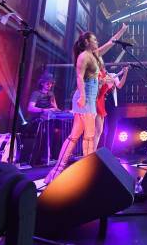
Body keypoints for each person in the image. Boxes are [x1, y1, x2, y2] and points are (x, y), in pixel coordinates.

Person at [45, 24, 128, 183]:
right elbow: (79, 77)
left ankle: (56, 171)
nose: (97, 41)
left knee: (74, 136)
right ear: (87, 42)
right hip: (85, 100)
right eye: (94, 39)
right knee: (88, 136)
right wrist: (82, 96)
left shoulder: (94, 55)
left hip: (89, 100)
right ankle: (87, 173)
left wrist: (122, 31)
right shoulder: (84, 56)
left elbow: (111, 43)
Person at [93, 65, 129, 151]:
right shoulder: (97, 75)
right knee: (100, 128)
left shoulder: (113, 75)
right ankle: (99, 151)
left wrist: (125, 74)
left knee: (112, 127)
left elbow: (119, 86)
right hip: (100, 101)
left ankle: (108, 151)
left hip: (111, 102)